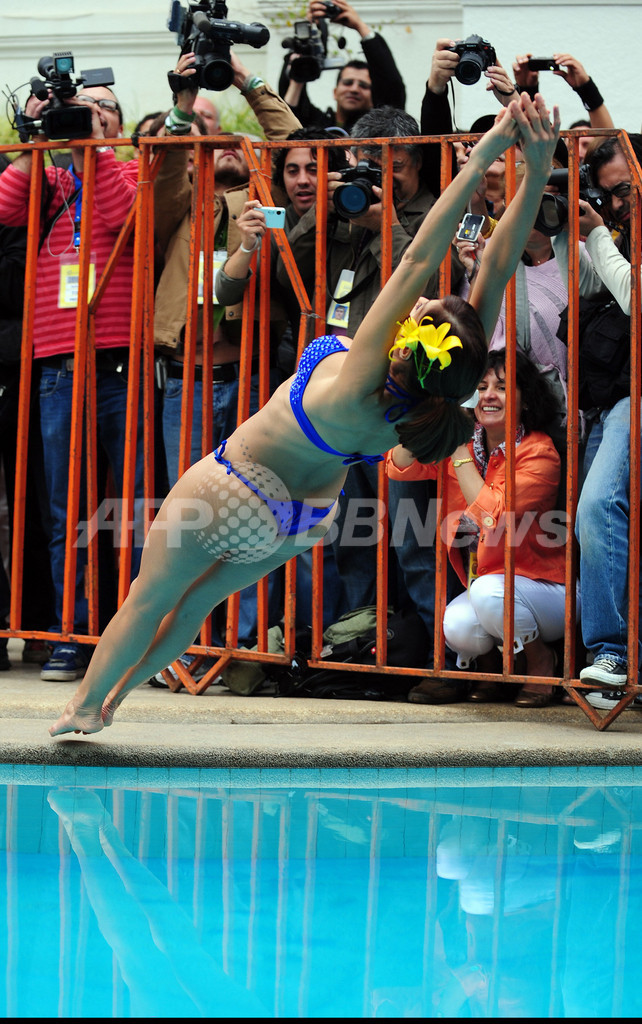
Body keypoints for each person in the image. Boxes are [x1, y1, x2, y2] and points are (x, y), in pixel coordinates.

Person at [48, 90, 561, 737]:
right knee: (195, 608)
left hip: (234, 487)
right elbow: (496, 267)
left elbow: (417, 257)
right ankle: (114, 701)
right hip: (298, 523)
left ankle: (86, 704)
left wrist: (486, 153)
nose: (422, 300)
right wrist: (535, 173)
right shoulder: (430, 398)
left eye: (427, 309)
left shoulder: (363, 373)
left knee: (149, 601)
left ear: (414, 338)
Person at [152, 51, 299, 667]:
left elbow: (295, 144)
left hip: (249, 381)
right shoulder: (176, 200)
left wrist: (245, 80)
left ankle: (243, 642)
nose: (220, 144)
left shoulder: (261, 196)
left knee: (251, 513)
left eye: (226, 132)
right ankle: (184, 643)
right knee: (186, 518)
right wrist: (183, 104)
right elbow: (163, 166)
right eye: (203, 135)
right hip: (184, 382)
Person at [0, 80, 144, 683]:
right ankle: (70, 633)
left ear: (118, 123)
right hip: (58, 364)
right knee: (67, 510)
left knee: (133, 508)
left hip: (120, 364)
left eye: (103, 106)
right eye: (82, 105)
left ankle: (136, 634)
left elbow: (121, 214)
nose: (90, 112)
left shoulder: (134, 169)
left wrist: (94, 148)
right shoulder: (51, 179)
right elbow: (5, 208)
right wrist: (34, 138)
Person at [388, 348, 569, 707]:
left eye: (501, 387)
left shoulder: (539, 451)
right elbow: (400, 466)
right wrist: (425, 418)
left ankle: (541, 660)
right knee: (456, 625)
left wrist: (457, 449)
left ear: (525, 399)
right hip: (491, 585)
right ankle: (493, 668)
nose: (488, 395)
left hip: (545, 590)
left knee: (486, 593)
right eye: (481, 387)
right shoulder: (470, 442)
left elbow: (492, 518)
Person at [551, 134, 642, 707]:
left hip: (635, 397)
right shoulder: (619, 231)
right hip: (609, 400)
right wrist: (569, 229)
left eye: (625, 190)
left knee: (597, 507)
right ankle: (623, 658)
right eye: (608, 196)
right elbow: (588, 284)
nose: (618, 204)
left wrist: (600, 234)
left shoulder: (622, 233)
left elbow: (635, 298)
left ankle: (611, 651)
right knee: (608, 525)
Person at [279, 0, 405, 132]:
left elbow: (392, 87)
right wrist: (306, 33)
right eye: (347, 83)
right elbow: (288, 110)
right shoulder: (315, 125)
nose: (354, 89)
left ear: (373, 95)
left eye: (363, 86)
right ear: (335, 92)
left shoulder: (378, 129)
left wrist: (360, 26)